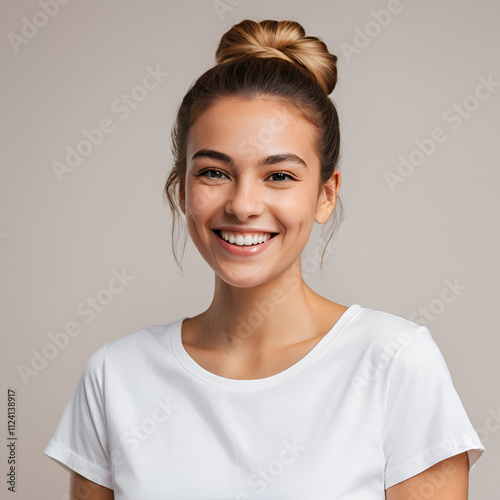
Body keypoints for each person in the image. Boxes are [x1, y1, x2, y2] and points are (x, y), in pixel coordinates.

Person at [44, 19, 485, 500]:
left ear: (325, 194)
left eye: (278, 176)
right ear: (182, 188)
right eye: (214, 172)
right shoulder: (116, 376)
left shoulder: (395, 364)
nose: (242, 204)